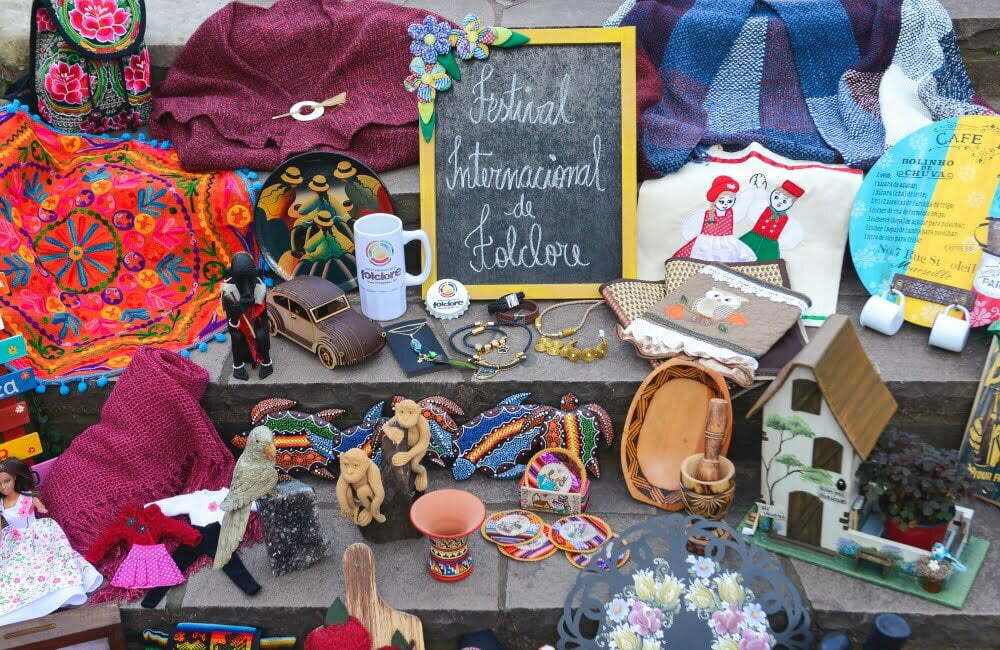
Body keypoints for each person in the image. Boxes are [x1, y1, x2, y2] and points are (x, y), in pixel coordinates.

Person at [0, 458, 103, 625]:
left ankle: (59, 592)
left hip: (34, 532)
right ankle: (26, 600)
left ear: (16, 479)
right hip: (13, 539)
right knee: (12, 571)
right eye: (0, 484)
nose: (4, 487)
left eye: (7, 481)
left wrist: (40, 508)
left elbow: (39, 506)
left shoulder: (25, 496)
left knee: (48, 561)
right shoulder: (2, 503)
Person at [673, 175, 756, 262]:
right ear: (715, 200)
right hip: (707, 243)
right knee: (702, 257)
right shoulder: (708, 213)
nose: (726, 204)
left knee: (730, 257)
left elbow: (743, 206)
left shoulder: (730, 212)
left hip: (726, 241)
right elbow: (692, 225)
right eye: (722, 201)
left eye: (729, 201)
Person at [220, 252, 273, 380]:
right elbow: (231, 324)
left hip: (256, 324)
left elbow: (264, 318)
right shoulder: (228, 291)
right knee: (236, 337)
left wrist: (262, 330)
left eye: (250, 280)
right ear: (231, 275)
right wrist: (235, 313)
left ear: (256, 274)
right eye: (240, 281)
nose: (247, 291)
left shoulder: (260, 287)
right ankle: (238, 367)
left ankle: (267, 363)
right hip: (239, 327)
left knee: (261, 335)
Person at [737, 175, 806, 261]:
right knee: (743, 252)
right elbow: (756, 204)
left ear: (791, 204)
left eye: (784, 201)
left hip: (769, 243)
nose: (779, 202)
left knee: (766, 259)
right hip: (754, 236)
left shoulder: (786, 219)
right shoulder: (764, 208)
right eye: (776, 197)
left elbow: (791, 234)